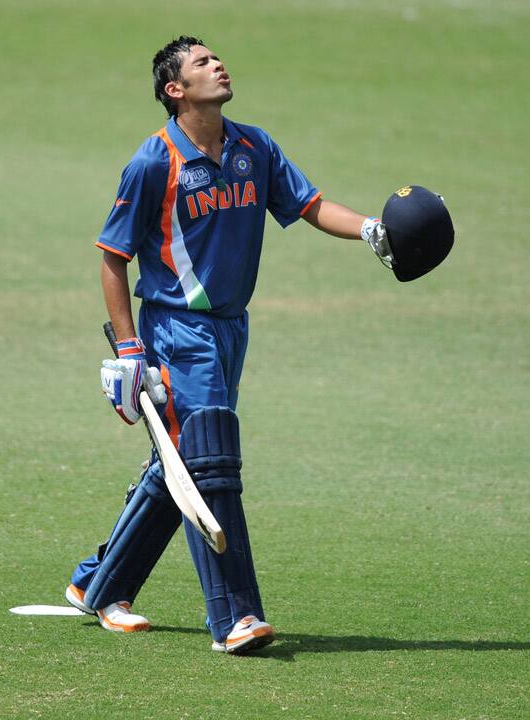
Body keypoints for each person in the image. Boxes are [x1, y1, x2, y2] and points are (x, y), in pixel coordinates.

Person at [65, 36, 393, 654]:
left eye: (217, 57)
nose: (218, 64)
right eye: (201, 63)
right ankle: (235, 617)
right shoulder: (152, 162)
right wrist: (131, 352)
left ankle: (99, 582)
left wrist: (372, 229)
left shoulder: (254, 146)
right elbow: (113, 259)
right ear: (176, 90)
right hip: (175, 328)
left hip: (230, 328)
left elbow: (311, 205)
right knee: (210, 460)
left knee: (185, 461)